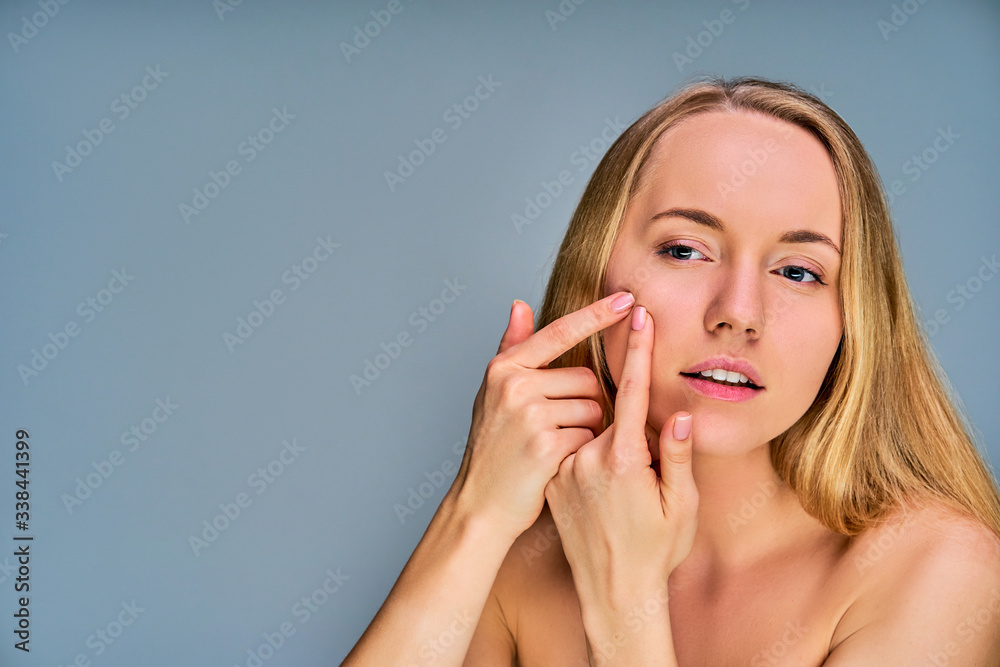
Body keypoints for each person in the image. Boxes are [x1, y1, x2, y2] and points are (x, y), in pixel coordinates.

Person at [342, 75, 1000, 666]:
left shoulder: (941, 571)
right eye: (685, 250)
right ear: (594, 277)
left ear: (853, 322)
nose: (738, 313)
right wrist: (475, 512)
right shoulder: (519, 560)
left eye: (798, 271)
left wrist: (624, 604)